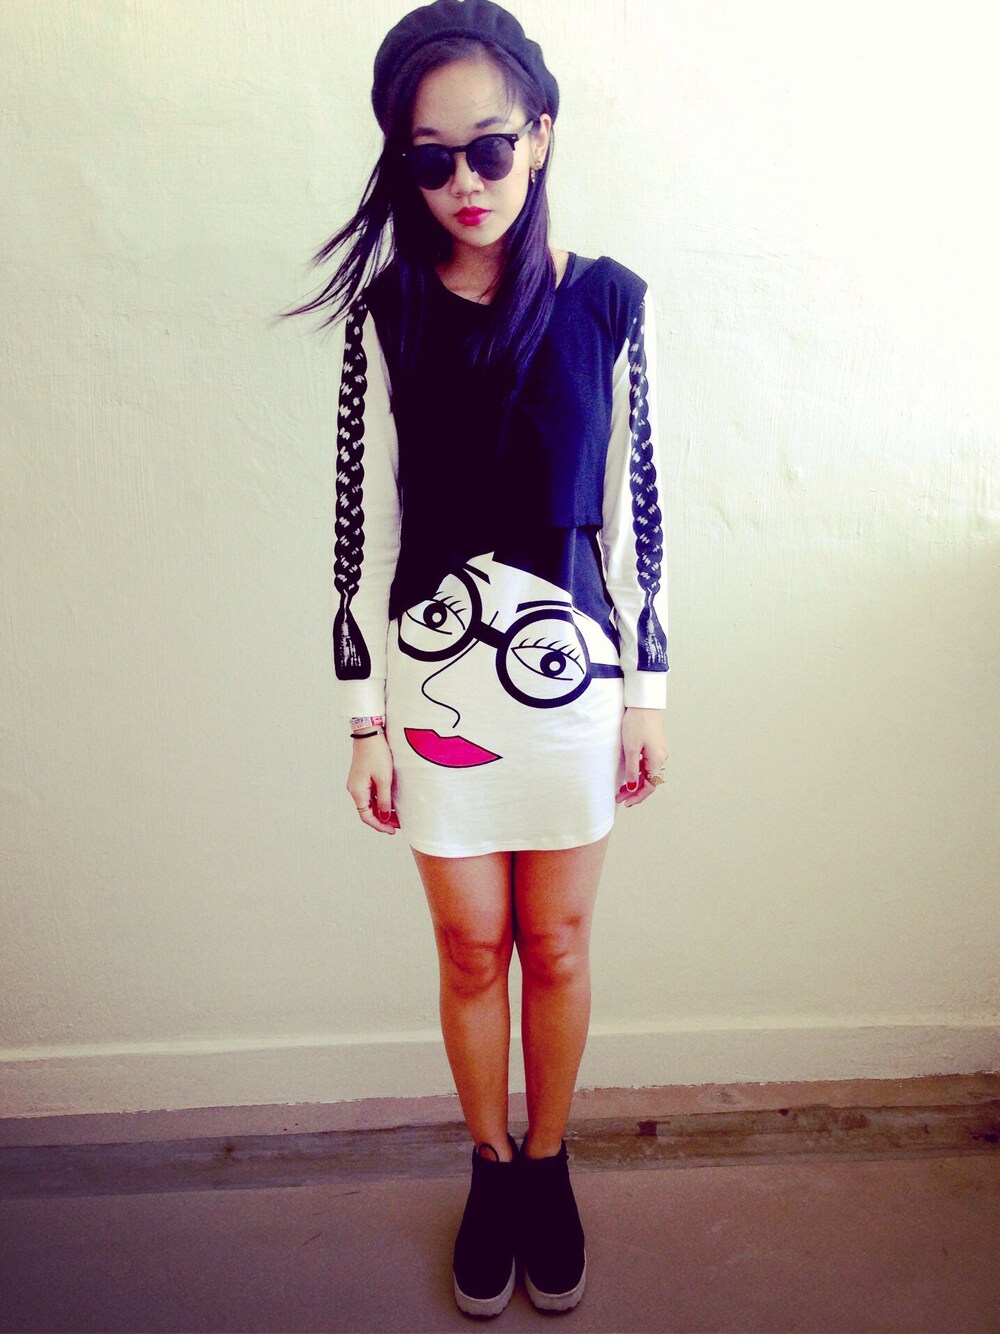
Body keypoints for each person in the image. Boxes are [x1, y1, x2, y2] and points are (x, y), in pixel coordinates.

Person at [288, 0, 668, 1316]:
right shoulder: (387, 314)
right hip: (435, 686)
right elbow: (362, 526)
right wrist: (362, 718)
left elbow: (640, 515)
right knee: (470, 951)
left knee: (554, 945)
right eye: (431, 157)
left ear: (540, 136)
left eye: (491, 149)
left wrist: (650, 694)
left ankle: (548, 1165)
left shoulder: (609, 304)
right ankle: (491, 1167)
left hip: (574, 685)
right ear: (404, 163)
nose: (465, 181)